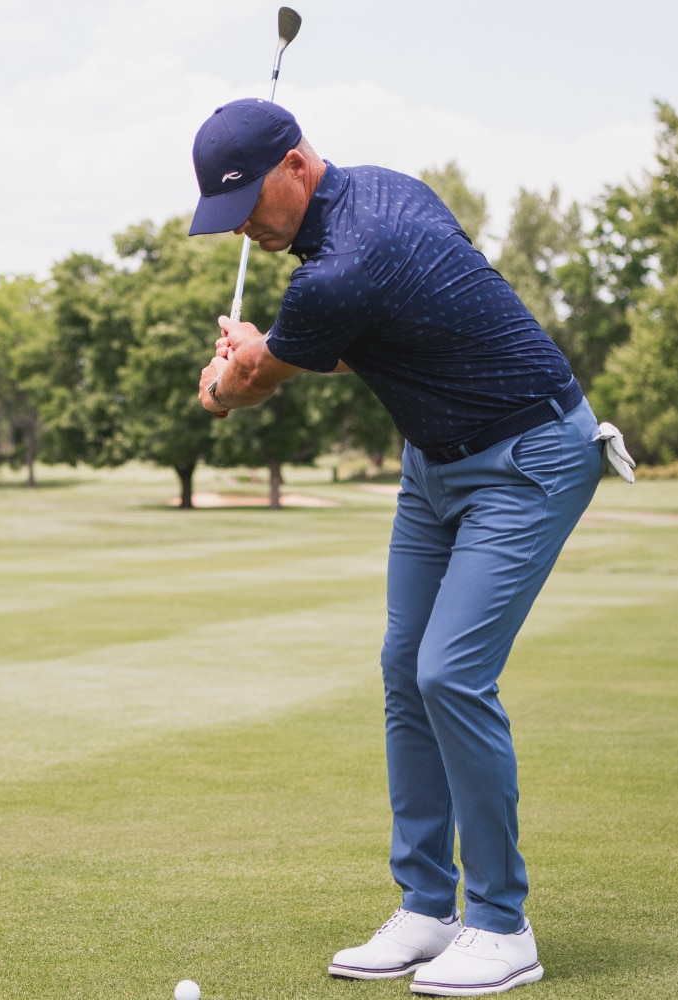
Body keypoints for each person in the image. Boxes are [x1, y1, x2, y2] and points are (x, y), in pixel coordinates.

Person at [188, 98, 613, 997]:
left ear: (296, 165)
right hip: (437, 463)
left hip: (530, 454)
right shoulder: (387, 193)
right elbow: (359, 339)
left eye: (251, 208)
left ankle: (503, 926)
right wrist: (271, 348)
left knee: (450, 673)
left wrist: (225, 381)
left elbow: (255, 385)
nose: (249, 232)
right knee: (402, 668)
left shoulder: (337, 268)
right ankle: (427, 908)